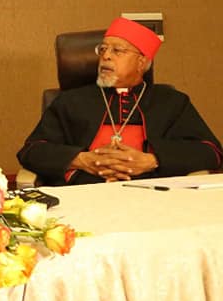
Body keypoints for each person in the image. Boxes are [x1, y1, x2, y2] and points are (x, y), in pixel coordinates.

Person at [18, 17, 222, 185]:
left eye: (117, 51)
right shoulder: (70, 101)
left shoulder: (171, 102)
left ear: (141, 62)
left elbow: (211, 152)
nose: (106, 56)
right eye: (103, 49)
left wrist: (153, 160)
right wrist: (82, 160)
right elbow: (31, 151)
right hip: (85, 192)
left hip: (153, 193)